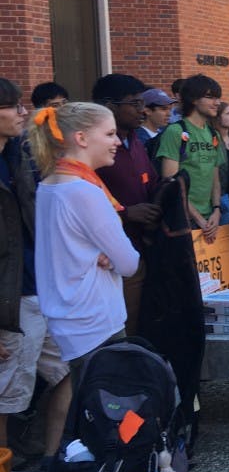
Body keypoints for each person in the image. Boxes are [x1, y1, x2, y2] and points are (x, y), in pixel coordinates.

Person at [28, 102, 140, 384]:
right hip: (95, 319)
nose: (116, 141)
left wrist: (106, 254)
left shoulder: (49, 184)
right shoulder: (84, 191)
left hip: (70, 317)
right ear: (81, 138)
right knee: (107, 415)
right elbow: (129, 263)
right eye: (109, 134)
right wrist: (111, 257)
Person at [0, 80, 71, 472]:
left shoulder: (19, 157)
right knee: (6, 398)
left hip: (39, 288)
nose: (23, 113)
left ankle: (52, 460)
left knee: (65, 371)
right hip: (11, 301)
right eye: (12, 107)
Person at [92, 74, 162, 335]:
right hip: (105, 261)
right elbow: (84, 201)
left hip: (138, 249)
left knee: (135, 325)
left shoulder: (136, 142)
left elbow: (150, 181)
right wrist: (126, 213)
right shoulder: (93, 149)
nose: (142, 110)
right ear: (110, 106)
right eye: (134, 104)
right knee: (115, 332)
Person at [156, 74, 226, 243]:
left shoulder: (213, 134)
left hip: (210, 219)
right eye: (210, 97)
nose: (217, 103)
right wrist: (197, 219)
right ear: (193, 99)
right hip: (183, 220)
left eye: (218, 98)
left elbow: (215, 177)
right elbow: (171, 184)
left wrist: (216, 210)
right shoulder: (175, 131)